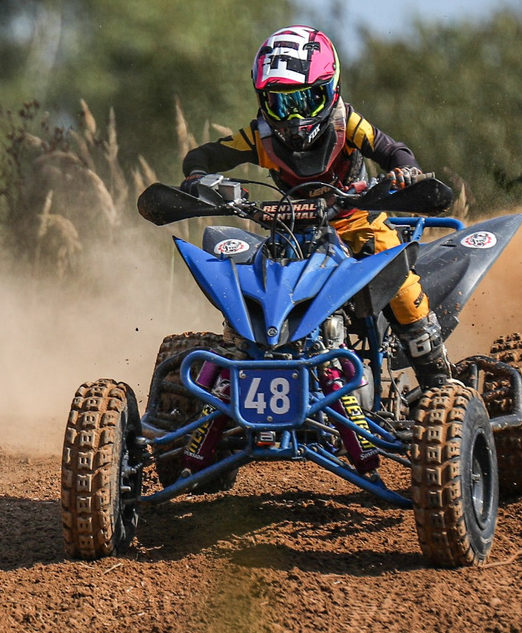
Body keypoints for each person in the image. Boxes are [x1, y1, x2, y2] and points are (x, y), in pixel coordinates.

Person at [179, 24, 453, 390]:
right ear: (263, 100)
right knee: (248, 295)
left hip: (357, 220)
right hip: (290, 232)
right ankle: (237, 367)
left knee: (401, 282)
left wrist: (405, 172)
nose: (294, 118)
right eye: (281, 103)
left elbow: (393, 150)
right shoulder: (259, 135)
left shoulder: (347, 123)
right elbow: (204, 155)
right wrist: (198, 177)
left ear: (331, 89)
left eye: (306, 100)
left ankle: (437, 380)